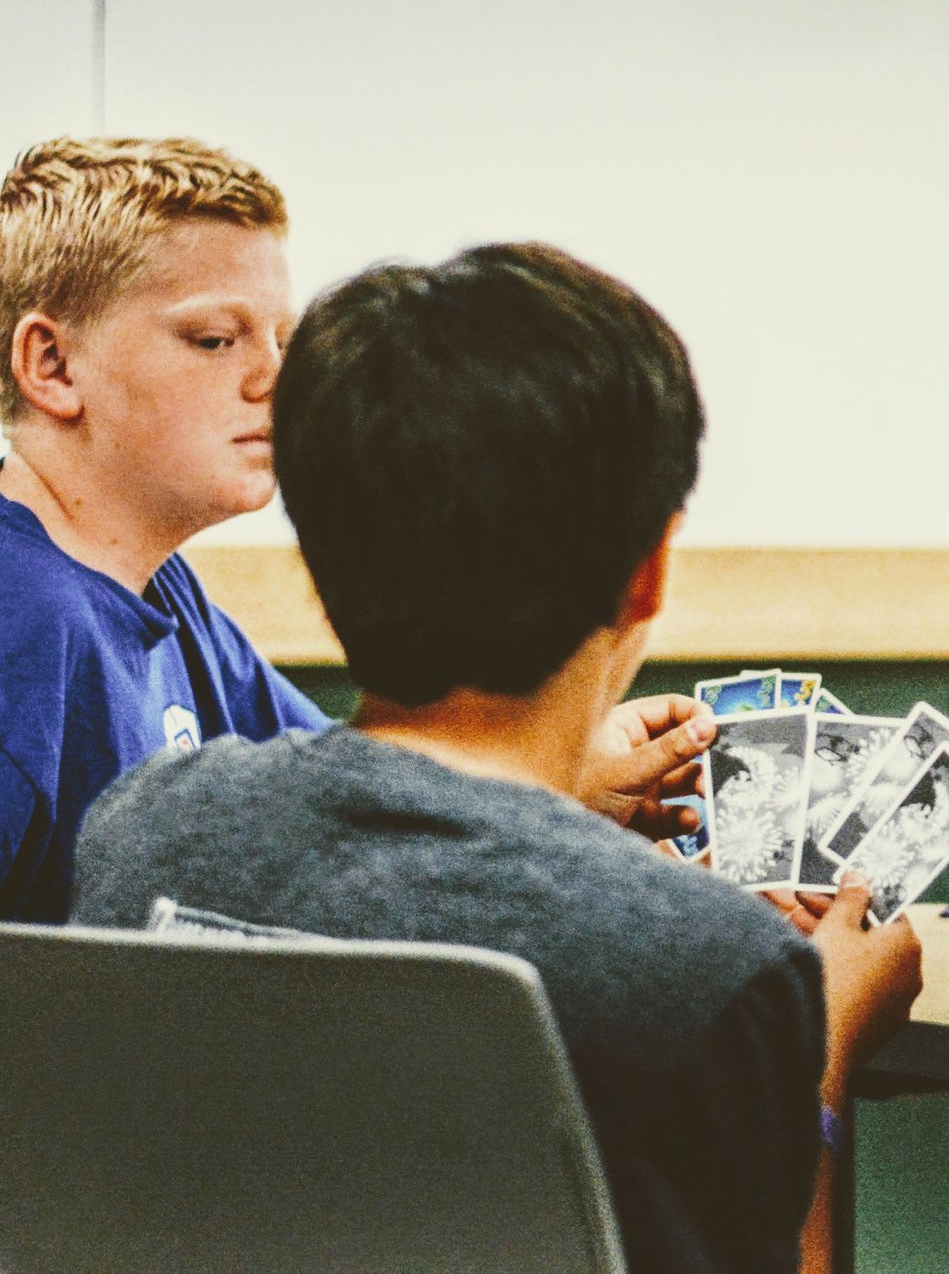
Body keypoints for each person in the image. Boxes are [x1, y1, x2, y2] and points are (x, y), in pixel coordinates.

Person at [72, 242, 924, 1273]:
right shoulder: (707, 966)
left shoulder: (145, 833)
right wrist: (816, 1061)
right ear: (648, 573)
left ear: (318, 554)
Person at [0, 137, 712, 923]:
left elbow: (357, 806)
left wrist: (565, 773)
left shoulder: (164, 590)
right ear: (53, 366)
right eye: (214, 339)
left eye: (281, 339)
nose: (274, 377)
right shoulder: (19, 621)